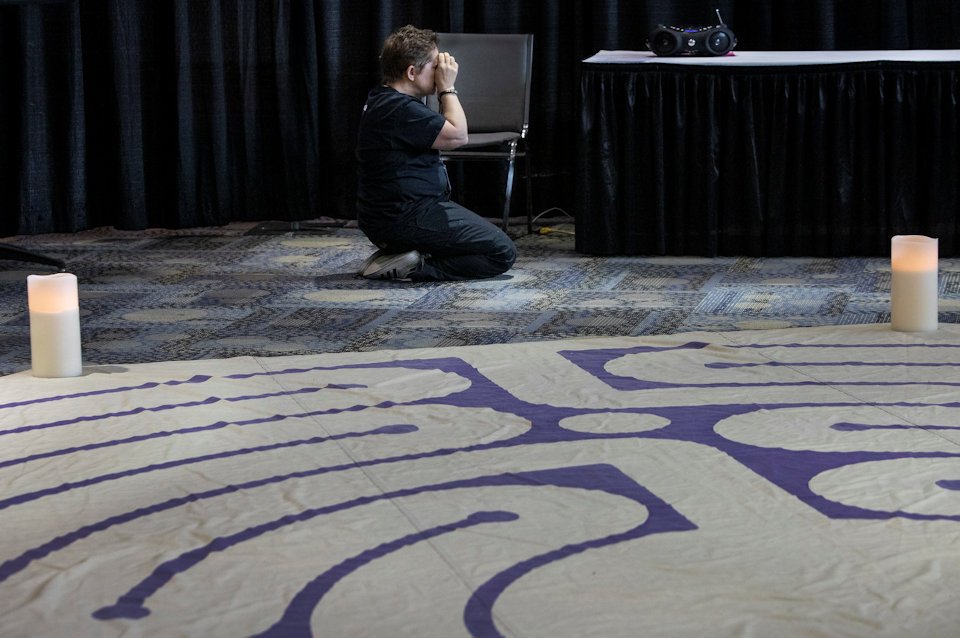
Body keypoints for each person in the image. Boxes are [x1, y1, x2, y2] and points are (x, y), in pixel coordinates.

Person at [354, 25, 517, 281]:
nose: (442, 71)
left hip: (395, 215)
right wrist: (447, 88)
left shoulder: (383, 99)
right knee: (501, 252)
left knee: (487, 242)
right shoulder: (398, 109)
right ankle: (415, 267)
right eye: (434, 65)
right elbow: (458, 135)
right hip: (404, 217)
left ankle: (402, 255)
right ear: (411, 72)